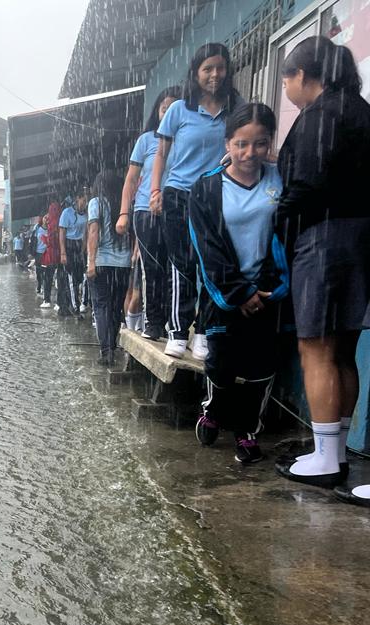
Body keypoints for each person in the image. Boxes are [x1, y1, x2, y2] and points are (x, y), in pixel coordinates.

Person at [270, 37, 370, 491]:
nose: (287, 89)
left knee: (315, 347)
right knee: (344, 349)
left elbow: (307, 185)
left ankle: (326, 457)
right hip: (361, 238)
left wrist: (278, 218)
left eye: (286, 79)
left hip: (324, 239)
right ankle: (337, 449)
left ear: (302, 77)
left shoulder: (319, 117)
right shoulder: (359, 111)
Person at [190, 102, 289, 464]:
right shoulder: (205, 189)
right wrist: (238, 292)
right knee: (221, 363)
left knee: (262, 367)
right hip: (223, 294)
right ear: (228, 143)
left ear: (269, 144)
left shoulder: (280, 181)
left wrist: (269, 288)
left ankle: (248, 432)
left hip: (268, 292)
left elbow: (286, 237)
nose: (250, 153)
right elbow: (207, 248)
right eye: (241, 144)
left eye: (260, 144)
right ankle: (213, 410)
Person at [151, 43, 242, 360]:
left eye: (220, 67)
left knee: (210, 264)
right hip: (178, 194)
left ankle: (203, 331)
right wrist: (155, 192)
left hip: (216, 196)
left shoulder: (235, 107)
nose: (215, 74)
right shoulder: (179, 109)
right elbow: (161, 154)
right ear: (196, 73)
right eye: (208, 69)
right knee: (182, 263)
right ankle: (178, 330)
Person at [118, 86, 181, 339]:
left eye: (175, 108)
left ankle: (173, 322)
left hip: (178, 209)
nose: (169, 112)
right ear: (157, 111)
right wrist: (124, 213)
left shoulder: (187, 138)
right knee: (153, 269)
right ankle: (154, 322)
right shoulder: (146, 140)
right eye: (165, 107)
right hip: (146, 211)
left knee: (177, 267)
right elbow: (131, 180)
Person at [86, 170, 133, 367]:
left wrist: (91, 262)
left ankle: (106, 352)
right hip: (123, 265)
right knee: (115, 308)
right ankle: (111, 347)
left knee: (101, 307)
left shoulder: (96, 203)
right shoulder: (125, 206)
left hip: (102, 263)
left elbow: (94, 232)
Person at [58, 190, 88, 316]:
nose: (85, 203)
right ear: (77, 198)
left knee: (81, 277)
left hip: (81, 246)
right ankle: (73, 306)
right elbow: (62, 233)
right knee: (71, 278)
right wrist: (63, 253)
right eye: (84, 200)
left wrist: (84, 249)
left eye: (87, 201)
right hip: (69, 246)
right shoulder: (67, 212)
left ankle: (80, 304)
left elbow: (87, 233)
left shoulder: (87, 213)